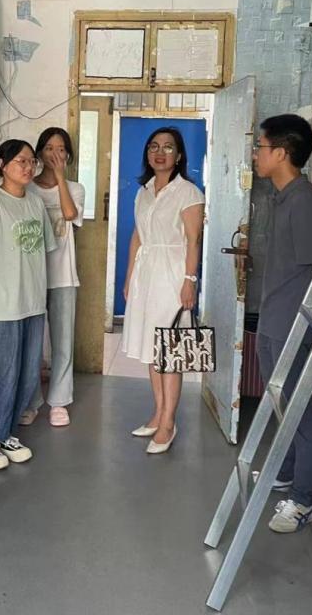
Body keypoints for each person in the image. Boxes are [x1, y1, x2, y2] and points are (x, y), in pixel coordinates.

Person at [252, 114, 312, 533]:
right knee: (281, 405)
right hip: (273, 319)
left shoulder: (303, 202)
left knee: (301, 413)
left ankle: (303, 500)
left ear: (281, 153)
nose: (255, 154)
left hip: (293, 326)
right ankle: (284, 472)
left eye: (260, 147)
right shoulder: (282, 196)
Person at [0, 139, 57, 471]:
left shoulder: (35, 203)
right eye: (21, 161)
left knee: (27, 374)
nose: (28, 167)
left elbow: (42, 251)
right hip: (1, 305)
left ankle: (4, 434)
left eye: (32, 161)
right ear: (3, 165)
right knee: (1, 373)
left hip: (31, 304)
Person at [122, 127, 205, 455]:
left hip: (172, 275)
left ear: (179, 155)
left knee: (170, 350)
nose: (160, 152)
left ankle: (169, 422)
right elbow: (137, 236)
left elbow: (193, 241)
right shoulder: (143, 191)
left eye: (168, 147)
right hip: (146, 274)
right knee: (151, 347)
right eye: (154, 147)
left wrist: (189, 280)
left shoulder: (188, 192)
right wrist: (129, 277)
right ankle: (158, 412)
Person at [22, 127, 85, 428]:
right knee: (31, 344)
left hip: (63, 275)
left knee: (62, 342)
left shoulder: (75, 188)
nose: (55, 154)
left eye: (61, 149)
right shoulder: (27, 187)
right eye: (48, 148)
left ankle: (59, 401)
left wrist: (60, 178)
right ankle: (31, 401)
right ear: (38, 154)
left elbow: (70, 215)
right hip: (32, 275)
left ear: (68, 155)